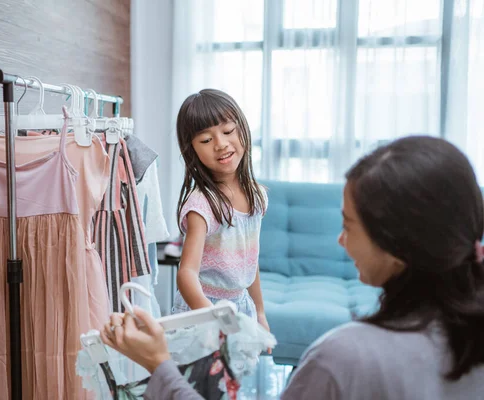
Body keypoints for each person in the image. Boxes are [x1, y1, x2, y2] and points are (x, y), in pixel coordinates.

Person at [100, 136, 484, 399]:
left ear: (398, 246)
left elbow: (249, 264)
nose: (339, 239)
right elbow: (192, 270)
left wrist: (158, 364)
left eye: (348, 225)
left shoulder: (341, 359)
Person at [172, 89, 269, 334]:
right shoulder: (202, 205)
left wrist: (259, 312)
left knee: (236, 372)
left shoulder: (257, 196)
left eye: (228, 131)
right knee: (197, 374)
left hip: (240, 305)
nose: (221, 144)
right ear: (192, 150)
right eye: (206, 140)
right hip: (203, 309)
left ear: (243, 130)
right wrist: (213, 320)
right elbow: (186, 274)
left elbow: (249, 261)